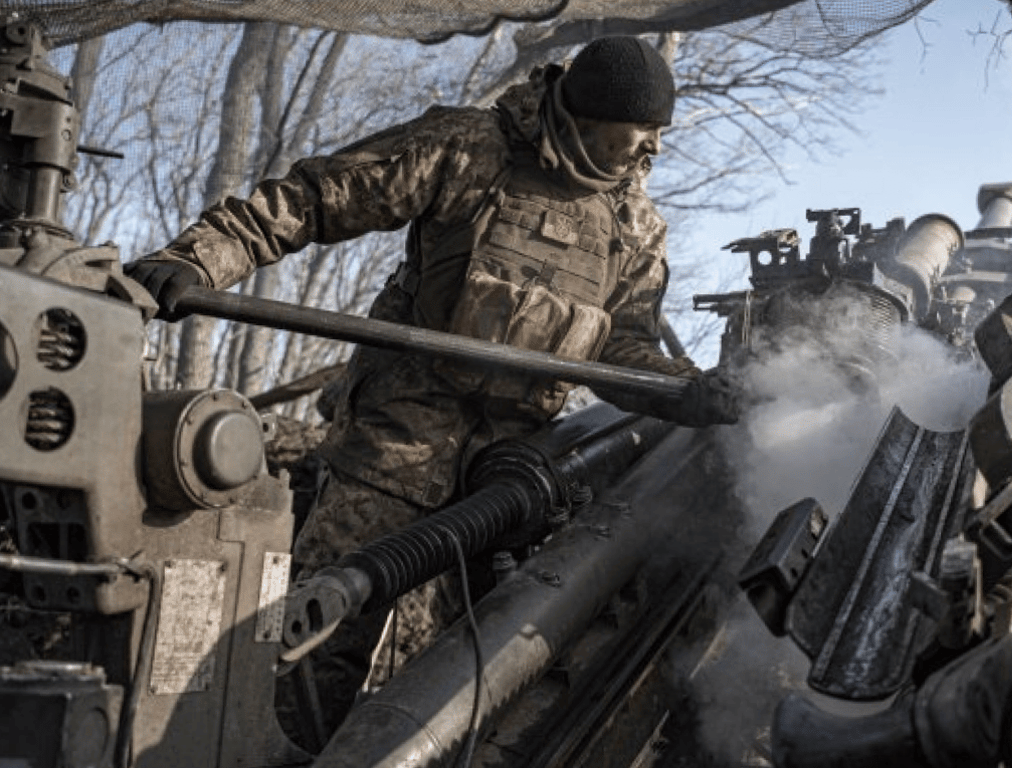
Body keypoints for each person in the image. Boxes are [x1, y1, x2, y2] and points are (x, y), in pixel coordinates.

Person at [125, 35, 738, 737]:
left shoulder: (635, 224)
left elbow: (622, 347)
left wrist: (686, 389)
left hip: (510, 476)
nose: (653, 149)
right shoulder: (469, 148)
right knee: (312, 648)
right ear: (588, 116)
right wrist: (198, 260)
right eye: (640, 132)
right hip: (394, 448)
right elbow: (315, 198)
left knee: (485, 674)